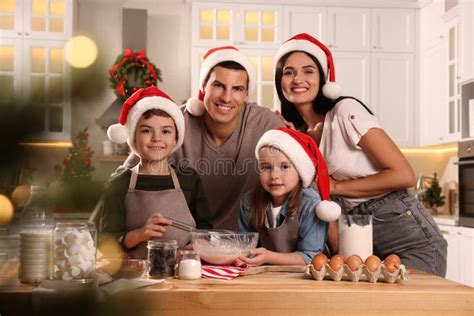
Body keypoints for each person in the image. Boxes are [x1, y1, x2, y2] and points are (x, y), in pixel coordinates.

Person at [273, 33, 447, 276]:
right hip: (356, 236)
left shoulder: (345, 111)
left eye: (308, 71)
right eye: (289, 72)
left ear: (323, 78)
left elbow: (404, 175)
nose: (297, 79)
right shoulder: (302, 132)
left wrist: (335, 187)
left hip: (405, 235)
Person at [122, 46, 284, 231]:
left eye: (237, 89)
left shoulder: (265, 123)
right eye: (218, 85)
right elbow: (125, 177)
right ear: (203, 86)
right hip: (185, 243)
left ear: (247, 94)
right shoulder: (175, 122)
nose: (226, 98)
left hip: (247, 243)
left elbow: (301, 179)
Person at [99, 86, 212, 259]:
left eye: (165, 131)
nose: (157, 138)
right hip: (137, 277)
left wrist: (189, 250)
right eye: (146, 130)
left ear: (176, 138)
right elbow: (105, 241)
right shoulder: (119, 183)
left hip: (184, 272)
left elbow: (205, 231)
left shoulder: (189, 178)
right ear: (133, 136)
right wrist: (140, 234)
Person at [237, 127, 340, 265]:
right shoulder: (249, 202)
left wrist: (268, 257)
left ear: (300, 171)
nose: (274, 176)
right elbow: (244, 247)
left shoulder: (310, 203)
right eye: (266, 167)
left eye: (285, 167)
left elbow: (310, 257)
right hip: (266, 277)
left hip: (305, 278)